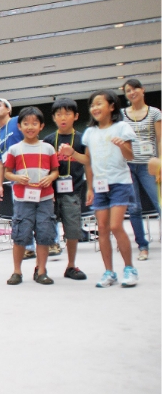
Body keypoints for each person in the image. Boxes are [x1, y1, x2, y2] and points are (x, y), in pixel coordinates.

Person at [82, 90, 139, 288]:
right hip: (99, 186)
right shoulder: (90, 133)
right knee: (103, 229)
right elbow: (88, 162)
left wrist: (122, 145)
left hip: (120, 183)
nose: (95, 108)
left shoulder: (122, 127)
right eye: (92, 105)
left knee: (116, 226)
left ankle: (130, 269)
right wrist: (89, 187)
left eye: (99, 103)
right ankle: (109, 272)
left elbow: (130, 157)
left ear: (112, 106)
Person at [4, 107, 59, 285]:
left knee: (44, 234)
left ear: (41, 126)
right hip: (22, 198)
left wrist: (50, 177)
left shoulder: (48, 148)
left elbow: (55, 171)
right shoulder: (14, 149)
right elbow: (7, 173)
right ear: (19, 126)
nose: (30, 127)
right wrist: (17, 177)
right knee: (20, 235)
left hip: (45, 198)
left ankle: (41, 270)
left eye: (34, 123)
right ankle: (17, 272)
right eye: (26, 123)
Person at [46, 98, 90, 281]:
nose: (63, 117)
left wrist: (73, 153)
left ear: (76, 116)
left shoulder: (81, 138)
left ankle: (71, 266)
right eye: (58, 114)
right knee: (45, 229)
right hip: (51, 193)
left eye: (67, 113)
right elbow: (45, 168)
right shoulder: (49, 140)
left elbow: (88, 161)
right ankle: (40, 267)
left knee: (72, 230)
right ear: (54, 118)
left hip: (73, 191)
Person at [0, 94, 35, 260]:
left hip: (33, 172)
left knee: (42, 209)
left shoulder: (17, 122)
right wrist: (0, 185)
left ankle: (51, 242)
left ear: (8, 109)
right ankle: (28, 247)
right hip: (15, 179)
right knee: (21, 214)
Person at [121, 79, 161, 261]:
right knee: (134, 208)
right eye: (128, 90)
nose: (132, 92)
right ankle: (142, 246)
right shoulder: (122, 114)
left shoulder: (154, 113)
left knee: (159, 203)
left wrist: (160, 163)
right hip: (128, 165)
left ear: (143, 90)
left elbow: (160, 139)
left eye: (135, 88)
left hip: (149, 165)